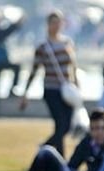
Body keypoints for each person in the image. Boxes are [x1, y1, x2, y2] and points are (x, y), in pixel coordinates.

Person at [20, 10, 79, 157]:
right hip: (51, 89)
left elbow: (73, 67)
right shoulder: (43, 47)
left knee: (67, 126)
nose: (57, 26)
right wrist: (25, 93)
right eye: (53, 23)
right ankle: (60, 159)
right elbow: (34, 71)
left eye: (59, 23)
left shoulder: (67, 43)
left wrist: (77, 85)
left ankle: (45, 148)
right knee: (60, 124)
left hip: (68, 90)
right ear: (48, 25)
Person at [0, 12, 23, 116]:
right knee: (16, 67)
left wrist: (15, 26)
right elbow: (4, 33)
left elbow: (5, 32)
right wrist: (15, 25)